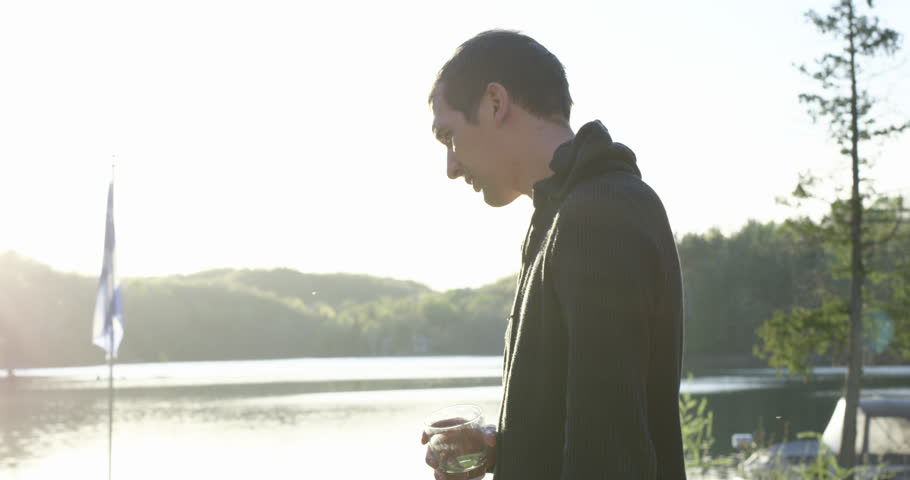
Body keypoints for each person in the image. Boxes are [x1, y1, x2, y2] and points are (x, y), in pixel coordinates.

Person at [421, 30, 687, 480]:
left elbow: (609, 455)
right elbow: (593, 422)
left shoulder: (600, 212)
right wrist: (502, 448)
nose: (450, 165)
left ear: (494, 102)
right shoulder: (566, 214)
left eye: (449, 135)